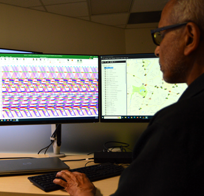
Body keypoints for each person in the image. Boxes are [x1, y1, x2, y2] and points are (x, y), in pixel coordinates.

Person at [53, 0, 204, 195]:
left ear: (190, 37)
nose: (157, 50)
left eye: (160, 35)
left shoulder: (176, 125)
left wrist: (83, 192)